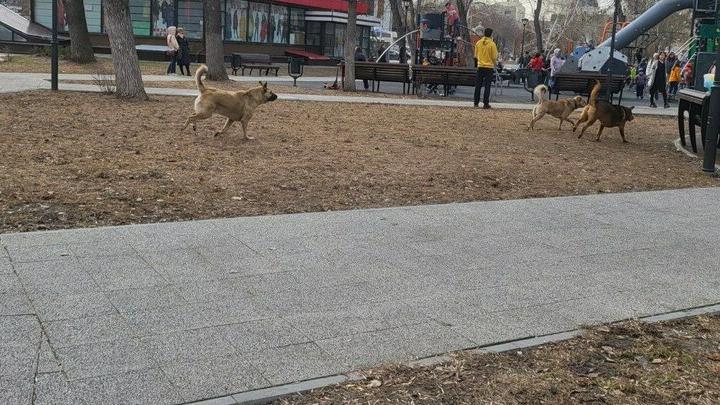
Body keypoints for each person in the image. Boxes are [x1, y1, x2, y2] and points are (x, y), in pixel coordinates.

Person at [473, 28, 498, 109]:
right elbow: (494, 57)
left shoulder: (478, 43)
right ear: (491, 34)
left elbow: (476, 56)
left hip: (480, 66)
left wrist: (478, 64)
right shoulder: (492, 44)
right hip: (489, 67)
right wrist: (494, 64)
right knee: (487, 86)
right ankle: (485, 103)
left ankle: (476, 102)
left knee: (478, 85)